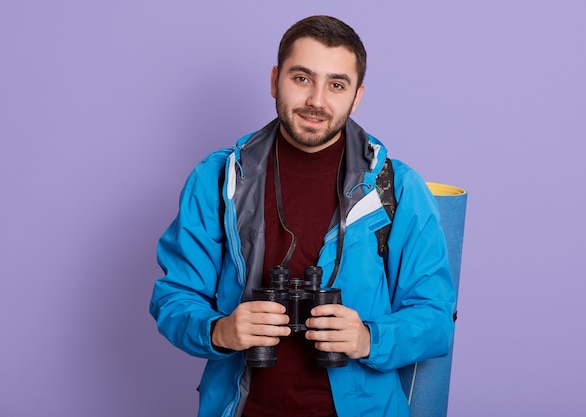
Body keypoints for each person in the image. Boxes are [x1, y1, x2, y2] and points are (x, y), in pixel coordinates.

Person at [150, 15, 456, 417]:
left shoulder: (397, 188)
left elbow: (436, 317)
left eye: (336, 84)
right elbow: (174, 297)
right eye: (301, 78)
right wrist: (220, 331)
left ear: (357, 95)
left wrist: (368, 337)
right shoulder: (219, 179)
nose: (317, 100)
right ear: (275, 78)